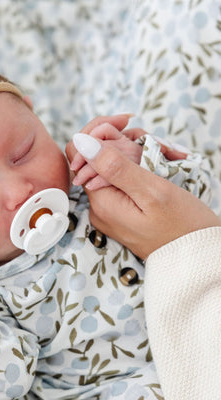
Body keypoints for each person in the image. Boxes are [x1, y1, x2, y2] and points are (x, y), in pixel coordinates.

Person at [0, 52, 218, 399]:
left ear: (35, 116)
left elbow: (203, 210)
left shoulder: (97, 184)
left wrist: (142, 164)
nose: (18, 192)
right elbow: (5, 381)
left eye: (23, 152)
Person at [66, 134, 221, 400]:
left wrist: (147, 166)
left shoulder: (83, 190)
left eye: (22, 153)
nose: (16, 192)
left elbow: (204, 194)